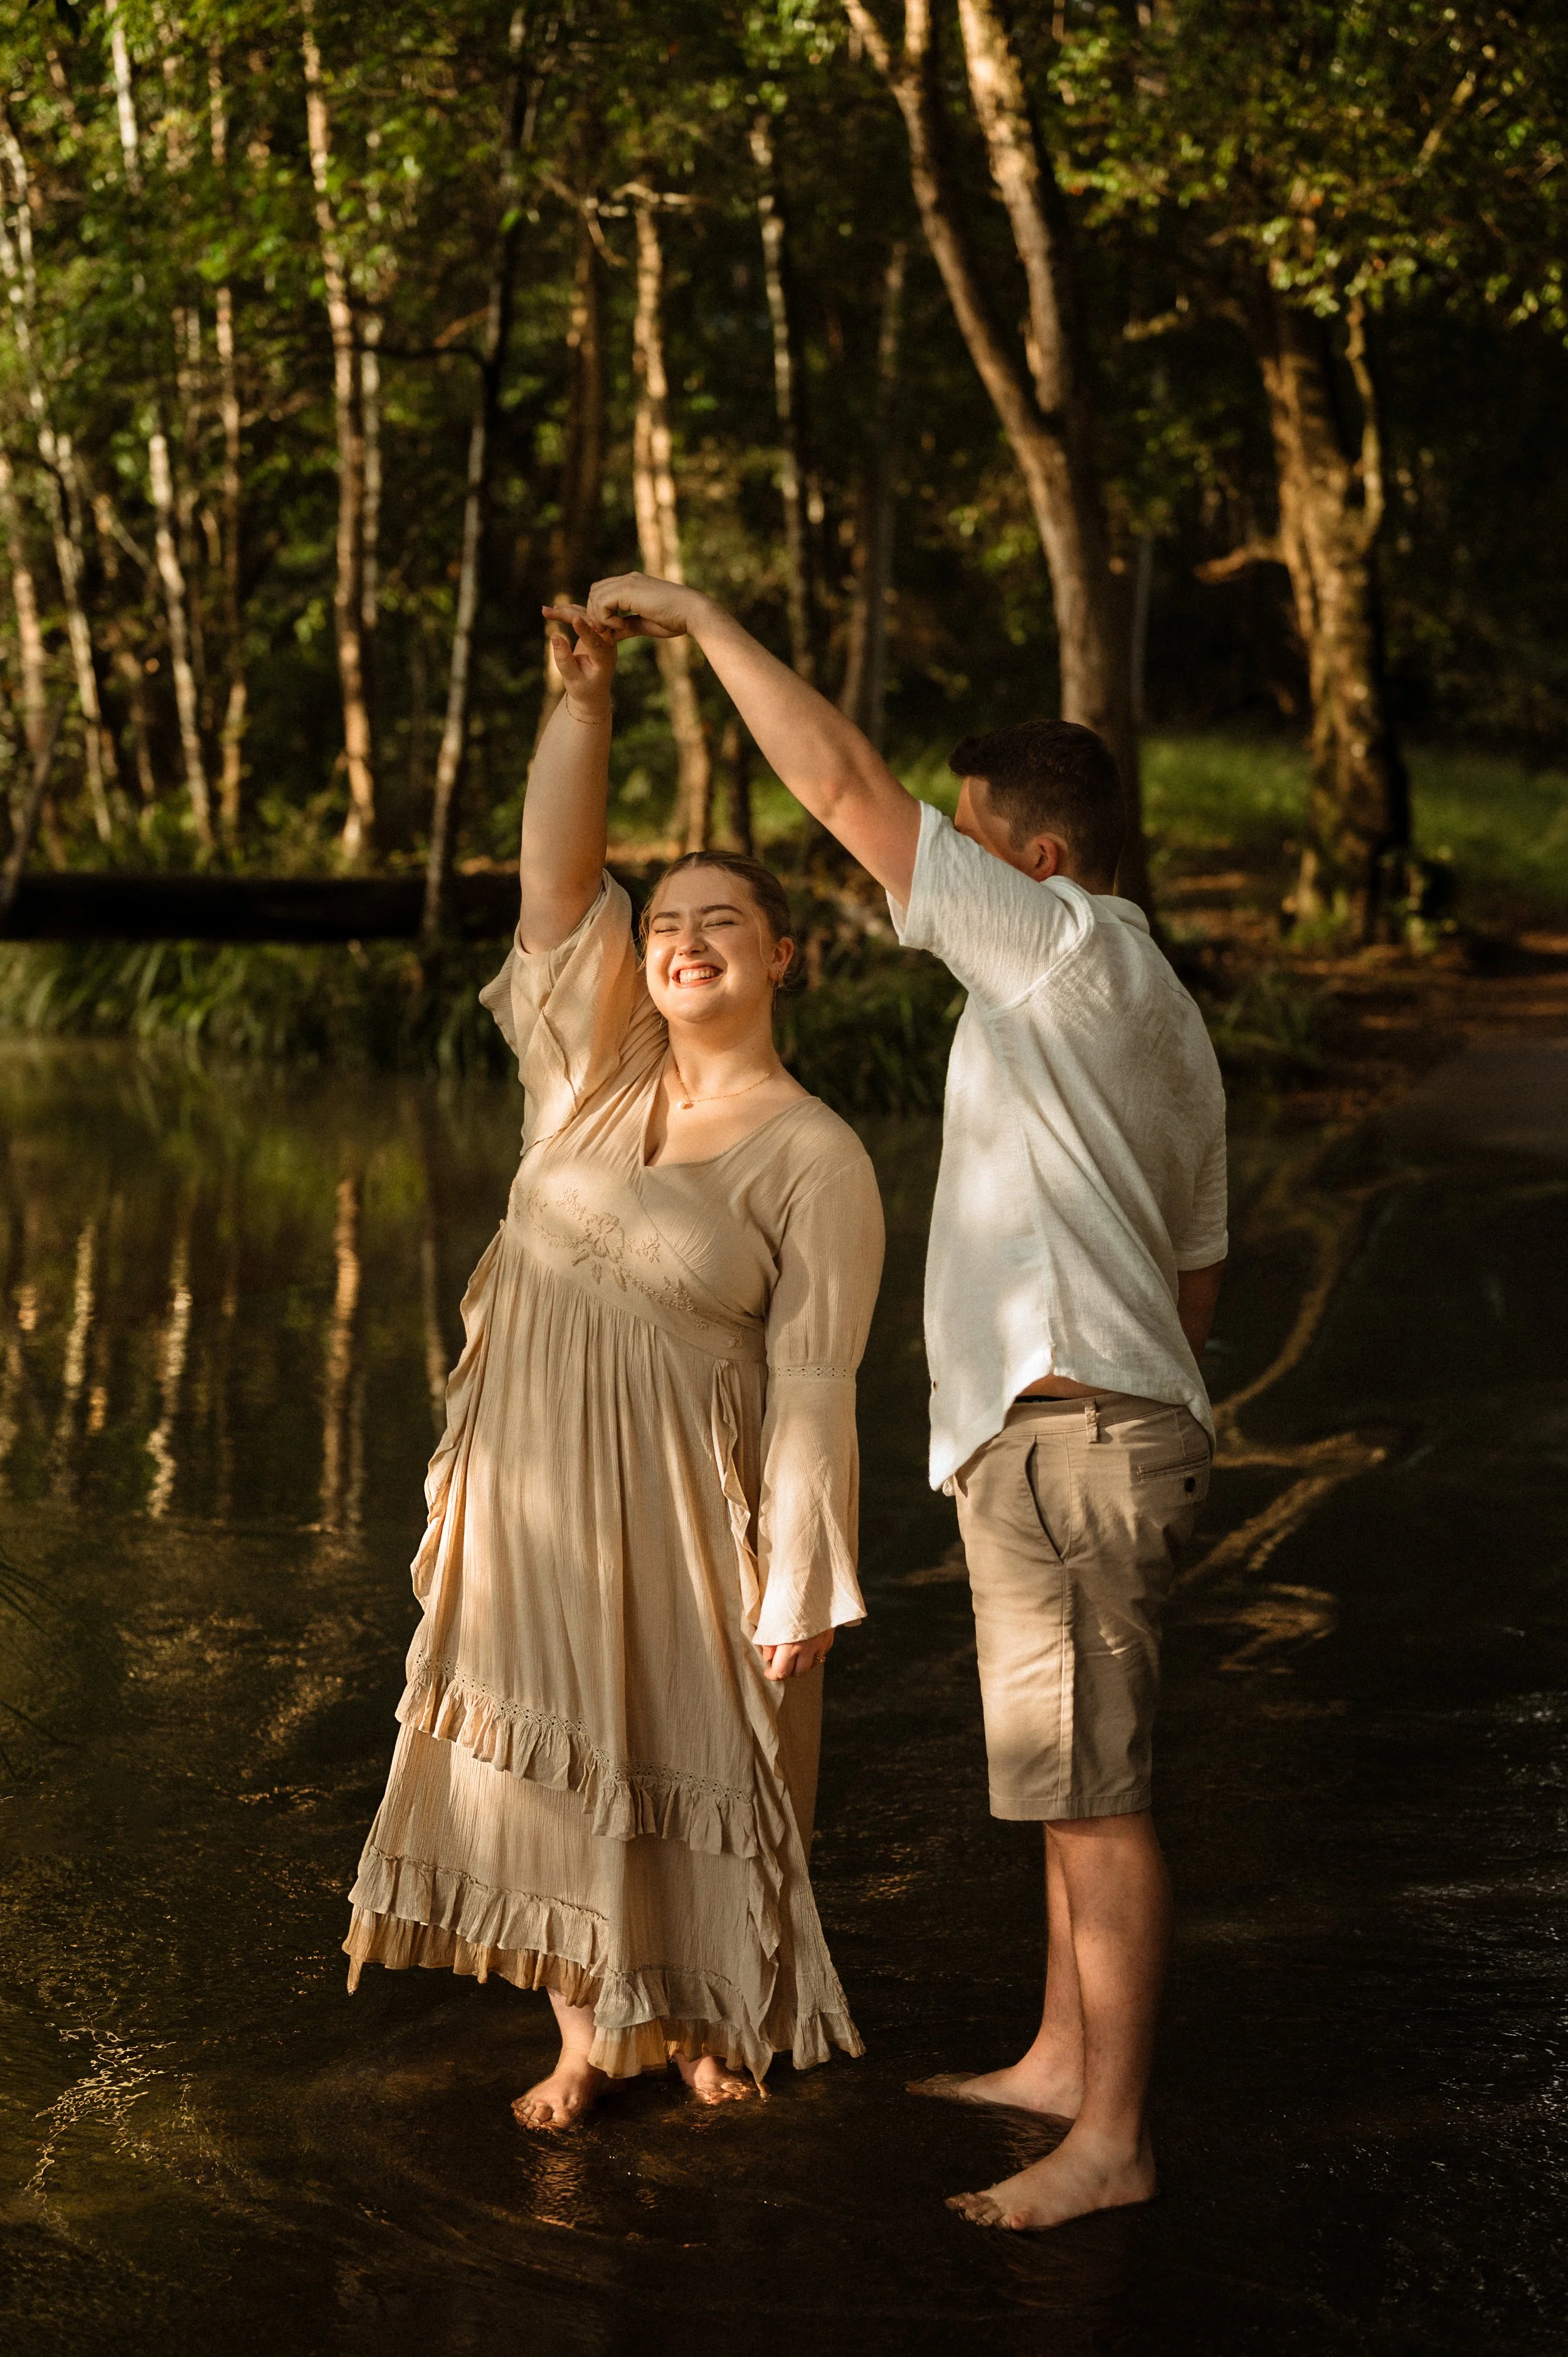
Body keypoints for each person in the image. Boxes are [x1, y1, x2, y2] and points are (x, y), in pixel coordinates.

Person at [582, 570, 1227, 2229]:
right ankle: (1061, 2061)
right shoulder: (1153, 1007)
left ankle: (1114, 2138)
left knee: (1096, 1794)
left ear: (1039, 861)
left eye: (972, 837)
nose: (926, 863)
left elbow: (844, 790)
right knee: (1058, 1777)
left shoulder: (1059, 948)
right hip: (1082, 1422)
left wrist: (705, 621)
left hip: (1070, 1431)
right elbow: (1199, 1265)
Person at [343, 606, 884, 2125]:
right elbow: (556, 884)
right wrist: (582, 702)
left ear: (788, 956)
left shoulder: (816, 1155)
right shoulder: (589, 1068)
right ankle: (585, 2030)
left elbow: (817, 1384)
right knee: (556, 1751)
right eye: (667, 925)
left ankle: (708, 2015)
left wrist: (800, 1581)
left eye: (723, 923)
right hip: (530, 1494)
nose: (685, 940)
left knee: (697, 1752)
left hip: (688, 1507)